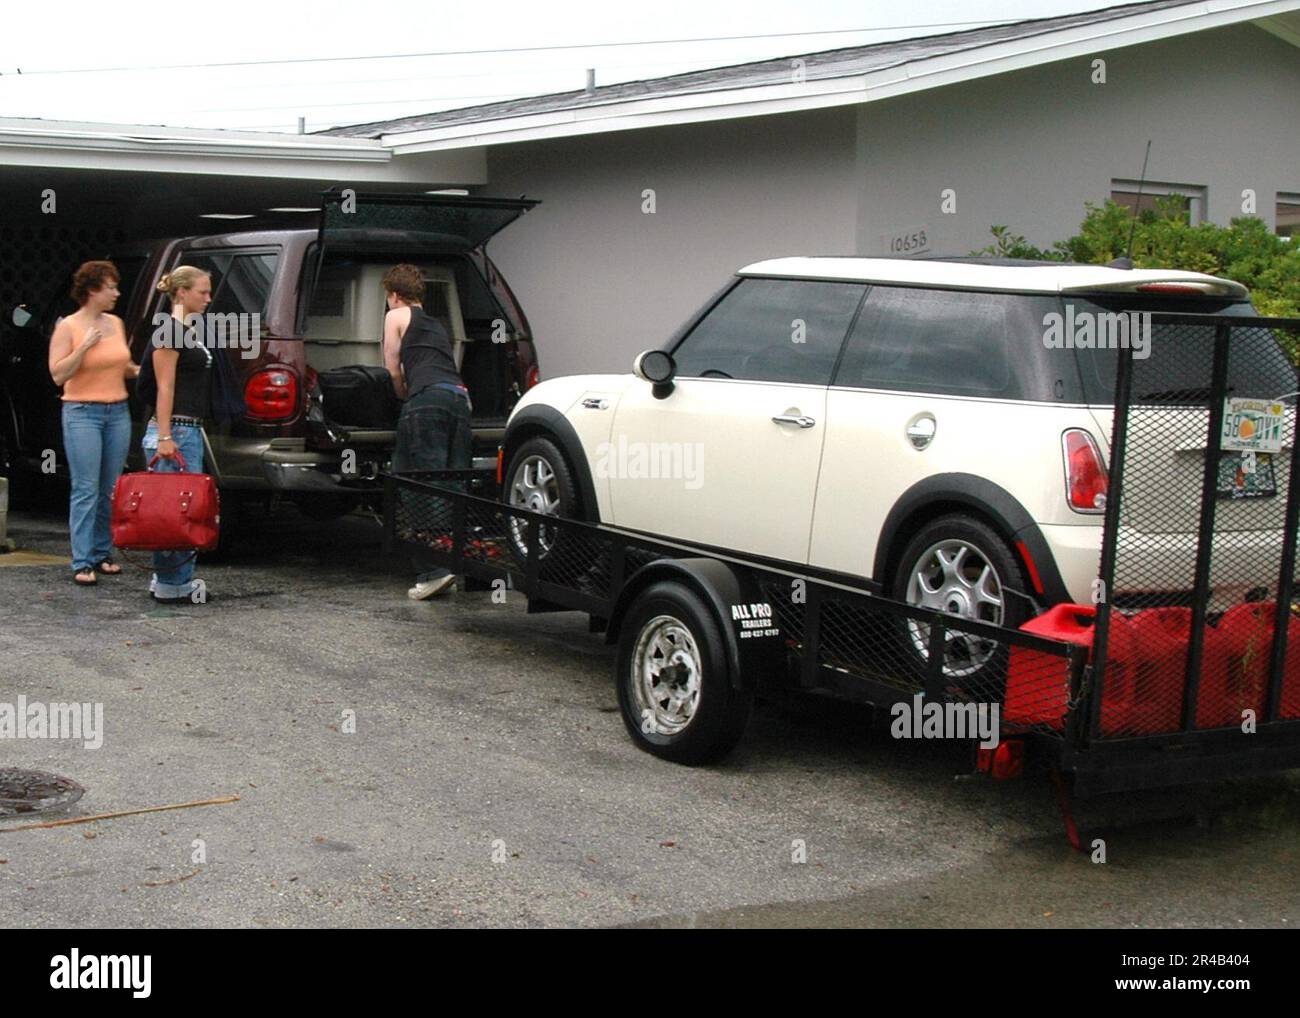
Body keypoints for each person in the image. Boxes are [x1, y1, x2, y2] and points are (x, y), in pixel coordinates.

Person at [382, 264, 473, 600]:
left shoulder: (397, 315)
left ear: (394, 295)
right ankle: (456, 558)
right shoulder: (437, 325)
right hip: (460, 400)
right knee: (453, 482)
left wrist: (402, 395)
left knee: (416, 481)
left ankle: (433, 571)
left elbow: (392, 368)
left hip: (427, 400)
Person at [48, 261, 139, 586]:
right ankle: (82, 560)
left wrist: (150, 370)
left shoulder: (115, 322)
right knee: (86, 487)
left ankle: (103, 552)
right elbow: (58, 374)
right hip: (82, 411)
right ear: (92, 290)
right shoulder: (68, 327)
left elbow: (123, 364)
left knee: (109, 488)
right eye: (111, 287)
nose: (116, 293)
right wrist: (85, 346)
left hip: (117, 411)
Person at [141, 266, 213, 604]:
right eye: (202, 291)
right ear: (181, 293)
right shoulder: (170, 331)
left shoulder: (185, 330)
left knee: (179, 508)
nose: (208, 298)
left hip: (187, 428)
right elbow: (164, 387)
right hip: (177, 430)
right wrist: (165, 436)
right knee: (175, 510)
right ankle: (174, 583)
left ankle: (170, 579)